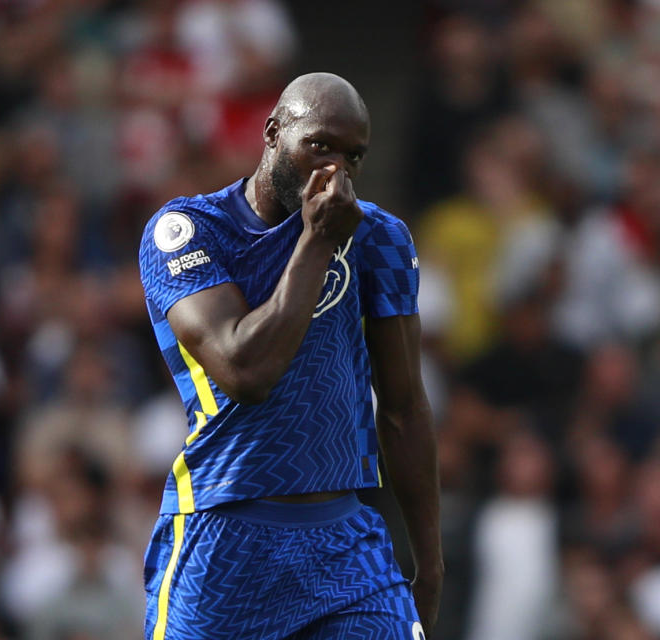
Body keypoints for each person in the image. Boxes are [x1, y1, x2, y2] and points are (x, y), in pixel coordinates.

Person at [137, 72, 442, 639]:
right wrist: (318, 241)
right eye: (319, 146)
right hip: (222, 542)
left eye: (353, 156)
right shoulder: (186, 233)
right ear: (273, 132)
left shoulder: (379, 238)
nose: (335, 171)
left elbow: (403, 408)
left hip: (345, 547)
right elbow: (244, 370)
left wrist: (429, 564)